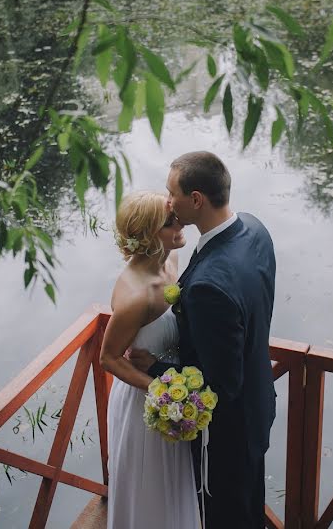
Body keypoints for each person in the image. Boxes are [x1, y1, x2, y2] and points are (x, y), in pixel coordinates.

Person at [130, 151, 277, 528]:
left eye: (171, 192)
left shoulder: (209, 287)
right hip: (258, 404)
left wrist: (156, 367)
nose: (167, 201)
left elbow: (221, 384)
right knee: (249, 509)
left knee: (225, 516)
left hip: (227, 433)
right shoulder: (254, 229)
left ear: (195, 200)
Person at [99, 191, 199, 529]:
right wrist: (161, 388)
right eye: (170, 222)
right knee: (150, 489)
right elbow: (108, 357)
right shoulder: (137, 296)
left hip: (167, 384)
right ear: (147, 236)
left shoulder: (169, 261)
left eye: (175, 215)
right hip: (147, 402)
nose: (180, 223)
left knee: (172, 484)